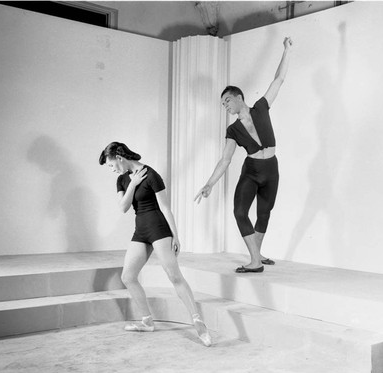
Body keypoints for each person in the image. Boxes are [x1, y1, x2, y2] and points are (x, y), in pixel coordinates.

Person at [195, 37, 293, 273]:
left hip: (271, 168)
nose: (225, 106)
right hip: (251, 171)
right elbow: (225, 160)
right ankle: (256, 261)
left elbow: (279, 79)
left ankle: (256, 256)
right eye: (222, 105)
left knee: (264, 213)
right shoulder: (232, 130)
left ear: (239, 97)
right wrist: (209, 184)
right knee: (240, 211)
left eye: (227, 100)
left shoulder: (261, 107)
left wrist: (287, 50)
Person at [100, 142, 211, 347]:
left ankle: (198, 322)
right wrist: (132, 184)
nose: (112, 169)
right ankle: (147, 321)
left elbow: (166, 208)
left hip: (158, 228)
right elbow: (123, 207)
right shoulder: (122, 180)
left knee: (174, 275)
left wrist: (175, 236)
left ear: (120, 158)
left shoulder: (152, 175)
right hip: (140, 229)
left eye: (111, 164)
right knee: (128, 276)